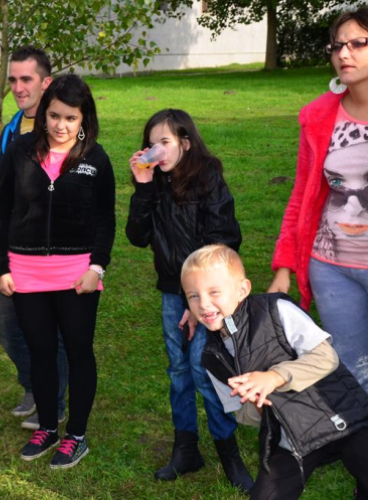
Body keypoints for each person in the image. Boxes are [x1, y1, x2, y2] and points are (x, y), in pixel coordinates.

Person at [0, 74, 115, 468]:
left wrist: (97, 266)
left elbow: (104, 219)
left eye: (71, 119)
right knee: (40, 351)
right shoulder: (21, 149)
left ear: (84, 121)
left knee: (78, 352)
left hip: (77, 275)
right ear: (44, 113)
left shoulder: (95, 159)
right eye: (54, 115)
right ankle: (47, 425)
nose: (61, 126)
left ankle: (76, 435)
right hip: (25, 271)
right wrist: (1, 266)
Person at [125, 109, 252, 490]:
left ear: (184, 142)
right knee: (179, 371)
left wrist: (196, 301)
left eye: (164, 142)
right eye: (151, 144)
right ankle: (187, 449)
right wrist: (143, 187)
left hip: (208, 296)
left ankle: (228, 450)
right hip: (170, 292)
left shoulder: (208, 178)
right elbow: (136, 235)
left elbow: (224, 238)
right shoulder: (155, 184)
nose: (156, 150)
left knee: (204, 368)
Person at [182, 244, 368, 499]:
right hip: (291, 439)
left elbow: (326, 358)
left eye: (214, 292)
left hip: (344, 418)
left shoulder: (275, 311)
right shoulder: (212, 357)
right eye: (193, 296)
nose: (203, 303)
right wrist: (257, 406)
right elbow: (242, 415)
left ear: (242, 290)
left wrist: (274, 377)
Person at [269, 7, 368, 395]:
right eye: (337, 46)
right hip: (331, 267)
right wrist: (284, 266)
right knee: (352, 366)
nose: (344, 54)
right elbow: (302, 196)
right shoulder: (317, 117)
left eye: (358, 43)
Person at [0, 46, 68, 430]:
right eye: (13, 79)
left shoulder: (60, 126)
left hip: (54, 255)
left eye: (26, 79)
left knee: (48, 332)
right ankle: (32, 385)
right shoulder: (12, 128)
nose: (18, 87)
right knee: (8, 326)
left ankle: (51, 403)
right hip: (16, 249)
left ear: (46, 82)